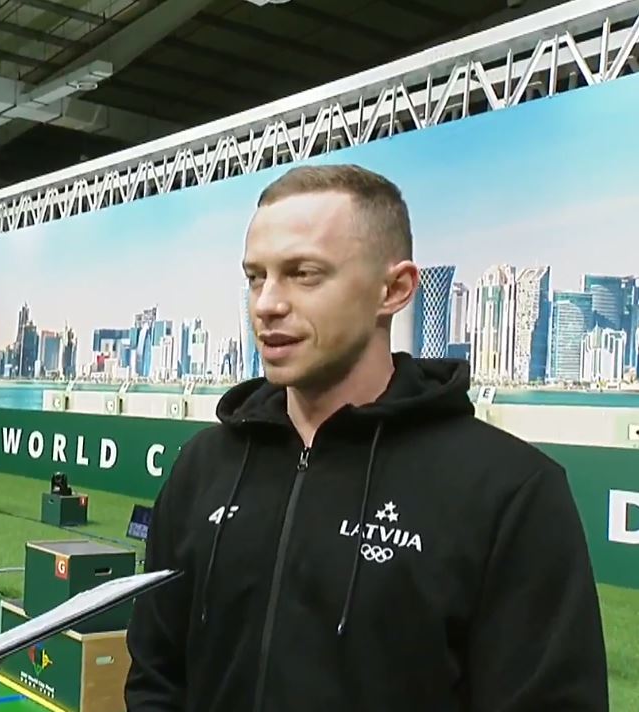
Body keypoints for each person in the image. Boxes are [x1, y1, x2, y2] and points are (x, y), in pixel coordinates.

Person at [124, 164, 609, 711]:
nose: (266, 304)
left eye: (304, 273)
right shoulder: (203, 467)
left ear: (394, 290)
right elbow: (156, 675)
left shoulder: (510, 490)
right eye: (256, 277)